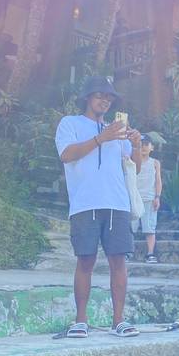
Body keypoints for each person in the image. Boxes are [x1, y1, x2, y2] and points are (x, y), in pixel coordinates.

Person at [55, 76, 142, 338]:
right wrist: (100, 138)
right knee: (85, 261)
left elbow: (134, 167)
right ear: (87, 98)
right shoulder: (70, 123)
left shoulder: (118, 131)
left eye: (109, 97)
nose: (105, 100)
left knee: (119, 262)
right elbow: (66, 155)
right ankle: (80, 320)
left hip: (117, 203)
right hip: (85, 203)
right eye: (99, 95)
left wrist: (136, 145)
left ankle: (119, 321)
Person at [132, 135, 162, 263]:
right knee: (130, 227)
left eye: (146, 144)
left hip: (149, 199)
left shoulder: (155, 163)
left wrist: (157, 197)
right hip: (134, 199)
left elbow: (158, 181)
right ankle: (128, 252)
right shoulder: (132, 161)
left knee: (149, 228)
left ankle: (150, 253)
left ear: (152, 147)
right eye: (141, 143)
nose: (143, 146)